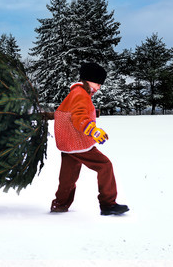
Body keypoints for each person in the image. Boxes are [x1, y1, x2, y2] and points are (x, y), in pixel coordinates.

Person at [50, 62, 129, 216]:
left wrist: (95, 131)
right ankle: (108, 204)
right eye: (98, 83)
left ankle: (60, 204)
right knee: (105, 166)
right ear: (87, 80)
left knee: (68, 175)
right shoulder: (81, 94)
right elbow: (79, 117)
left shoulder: (75, 93)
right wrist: (93, 131)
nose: (99, 87)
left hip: (67, 143)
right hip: (77, 142)